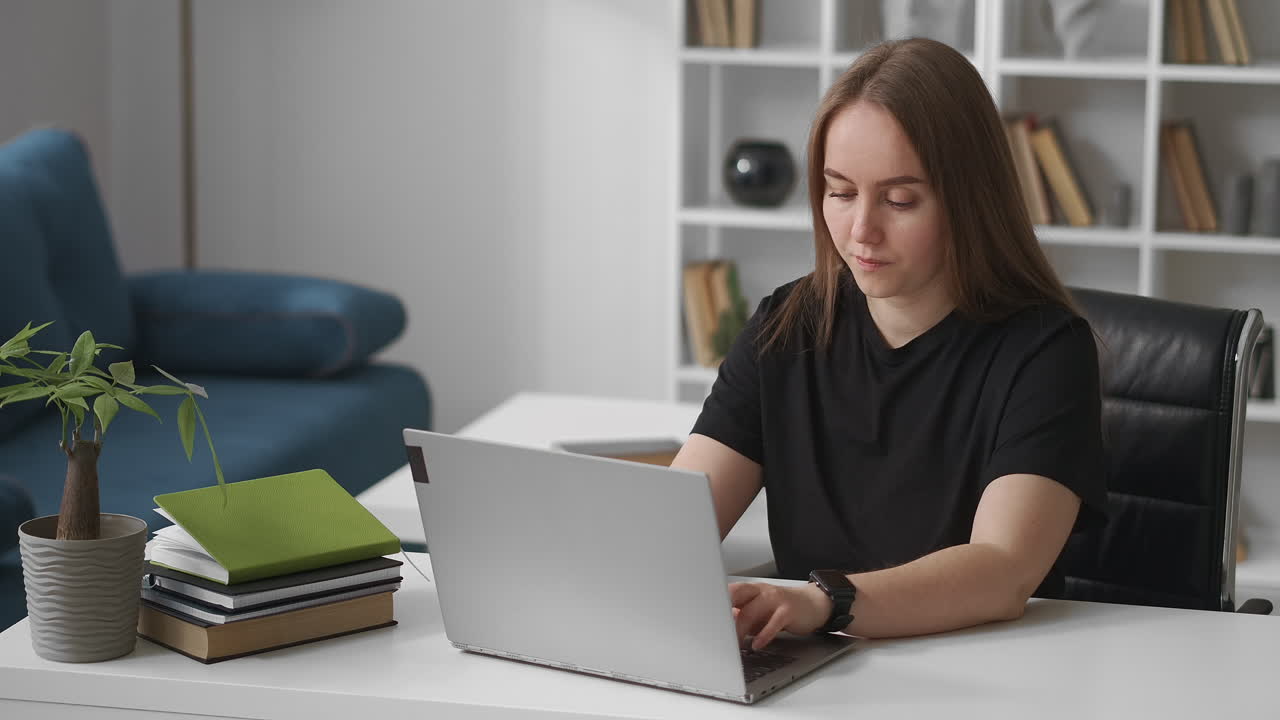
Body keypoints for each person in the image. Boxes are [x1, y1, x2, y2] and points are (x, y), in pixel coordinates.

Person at [670, 37, 1107, 650]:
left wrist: (822, 601)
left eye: (900, 199)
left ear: (968, 201)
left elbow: (1002, 569)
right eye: (840, 192)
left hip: (988, 678)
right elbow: (674, 526)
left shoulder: (1046, 352)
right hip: (818, 675)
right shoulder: (785, 326)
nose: (860, 230)